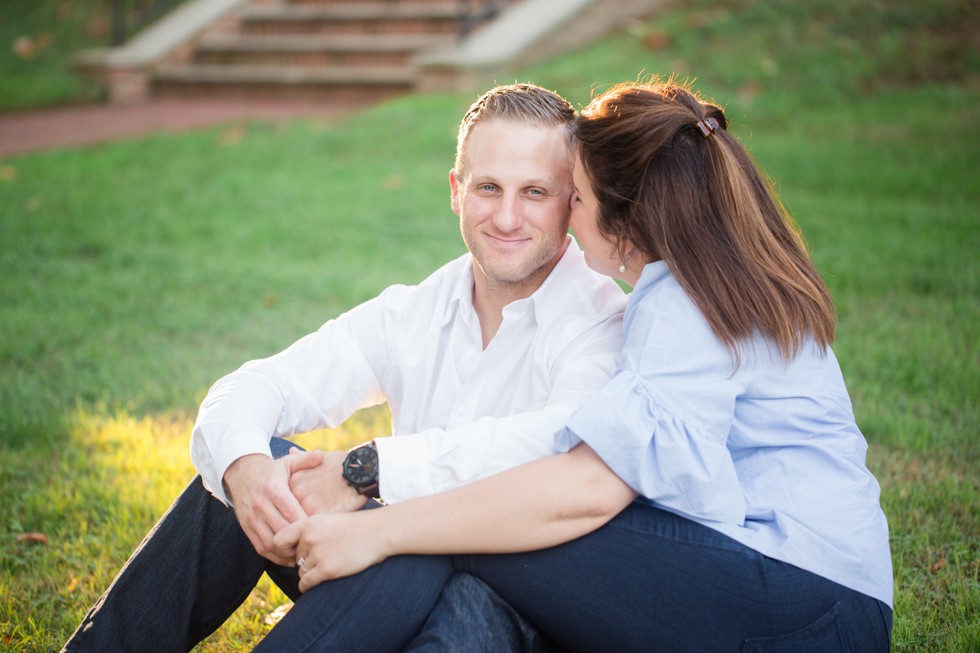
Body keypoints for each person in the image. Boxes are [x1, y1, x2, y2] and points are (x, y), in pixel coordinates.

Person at [268, 78, 894, 652]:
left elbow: (590, 491)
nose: (566, 216)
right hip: (809, 596)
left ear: (625, 217)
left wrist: (382, 528)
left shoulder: (684, 304)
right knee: (471, 548)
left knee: (466, 528)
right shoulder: (707, 281)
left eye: (579, 197)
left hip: (805, 599)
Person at [61, 83, 626, 652]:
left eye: (534, 191)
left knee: (460, 599)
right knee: (261, 469)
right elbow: (258, 386)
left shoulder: (602, 325)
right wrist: (246, 472)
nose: (506, 216)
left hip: (516, 600)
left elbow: (558, 444)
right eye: (487, 187)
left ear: (571, 202)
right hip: (385, 563)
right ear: (456, 191)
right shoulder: (411, 311)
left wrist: (368, 469)